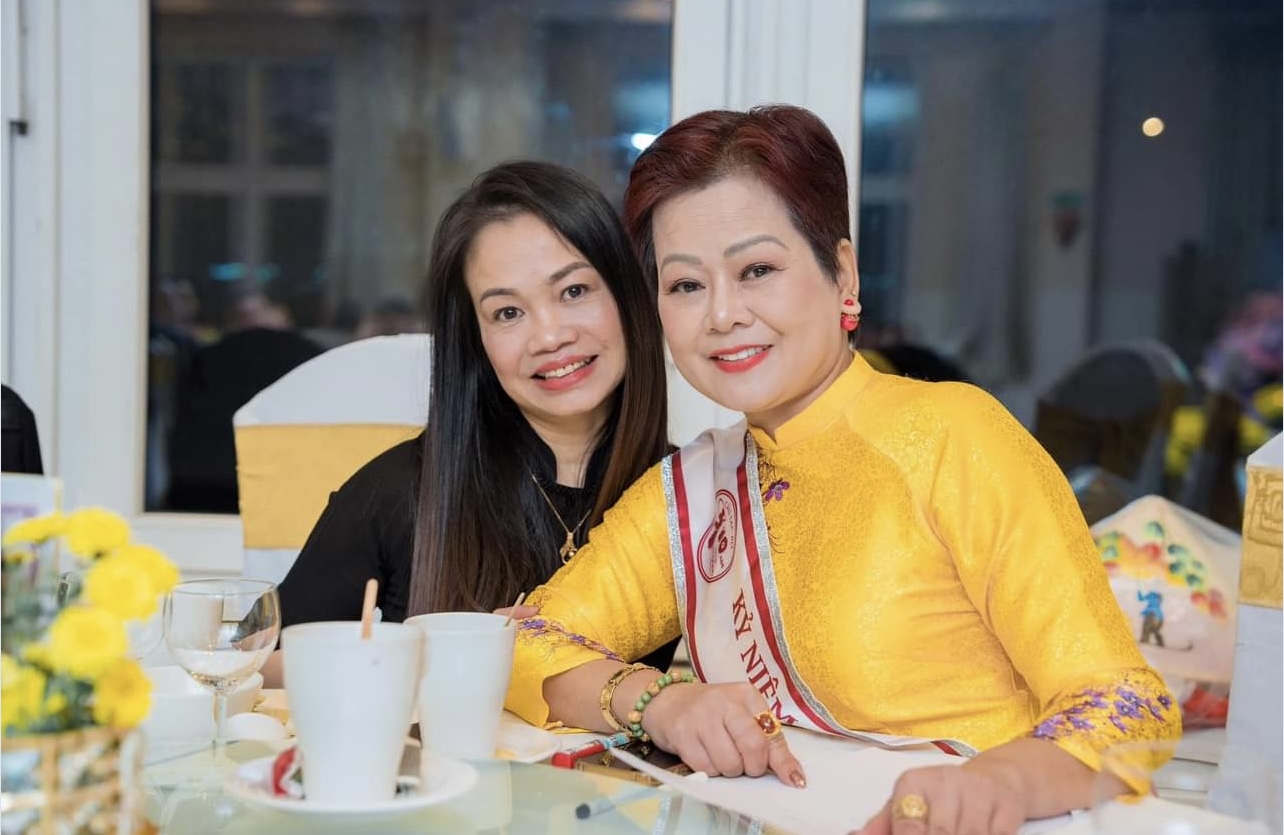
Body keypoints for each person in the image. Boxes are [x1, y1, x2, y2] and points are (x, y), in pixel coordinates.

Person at [504, 106, 1179, 833]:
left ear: (844, 273)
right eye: (686, 285)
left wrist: (1002, 782)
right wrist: (657, 701)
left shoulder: (952, 436)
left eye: (757, 270)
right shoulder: (693, 489)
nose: (722, 315)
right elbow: (519, 643)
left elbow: (1128, 704)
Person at [268, 161, 676, 678]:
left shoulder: (693, 494)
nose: (550, 336)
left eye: (574, 291)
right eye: (508, 312)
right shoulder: (398, 489)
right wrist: (433, 655)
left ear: (627, 294)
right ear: (476, 341)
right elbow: (255, 667)